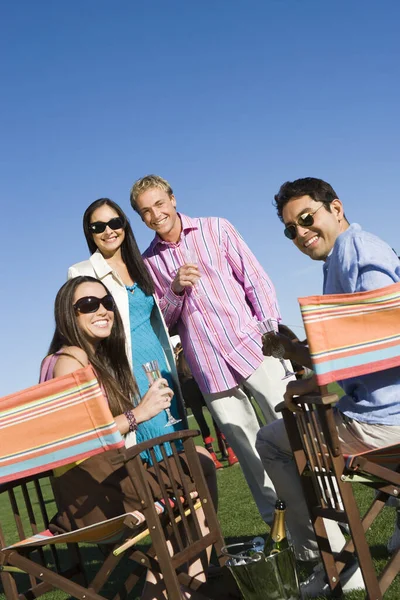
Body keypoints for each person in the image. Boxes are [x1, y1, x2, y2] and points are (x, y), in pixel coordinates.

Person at [255, 177, 400, 596]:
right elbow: (357, 352)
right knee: (305, 423)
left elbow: (379, 342)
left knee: (273, 441)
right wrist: (302, 360)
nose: (300, 233)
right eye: (290, 229)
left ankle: (334, 560)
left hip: (383, 423)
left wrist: (297, 356)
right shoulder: (344, 256)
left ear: (335, 208)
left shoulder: (360, 252)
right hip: (377, 410)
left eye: (306, 218)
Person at [130, 174, 293, 525]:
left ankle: (324, 514)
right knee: (249, 453)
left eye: (159, 203)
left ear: (173, 199)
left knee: (291, 431)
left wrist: (270, 333)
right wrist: (173, 290)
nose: (155, 214)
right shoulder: (147, 264)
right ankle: (280, 530)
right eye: (145, 211)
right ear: (141, 219)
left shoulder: (216, 228)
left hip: (255, 348)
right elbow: (165, 323)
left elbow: (255, 279)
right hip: (208, 368)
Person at [40, 276, 217, 600]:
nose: (103, 310)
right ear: (69, 313)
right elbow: (77, 437)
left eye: (107, 302)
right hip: (96, 497)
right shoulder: (70, 362)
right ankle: (195, 578)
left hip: (101, 487)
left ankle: (182, 582)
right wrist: (140, 413)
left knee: (188, 483)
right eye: (89, 305)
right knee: (199, 463)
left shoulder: (75, 358)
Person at [68, 199, 185, 461]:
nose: (108, 231)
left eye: (114, 222)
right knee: (152, 444)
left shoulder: (143, 265)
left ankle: (186, 496)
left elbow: (160, 316)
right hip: (125, 370)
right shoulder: (82, 272)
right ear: (90, 233)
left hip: (160, 364)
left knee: (177, 436)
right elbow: (80, 329)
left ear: (125, 225)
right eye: (98, 226)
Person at [174, 342, 239, 469]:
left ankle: (213, 457)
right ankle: (231, 453)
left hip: (188, 390)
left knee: (202, 423)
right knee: (217, 419)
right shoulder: (191, 352)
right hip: (201, 385)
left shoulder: (179, 363)